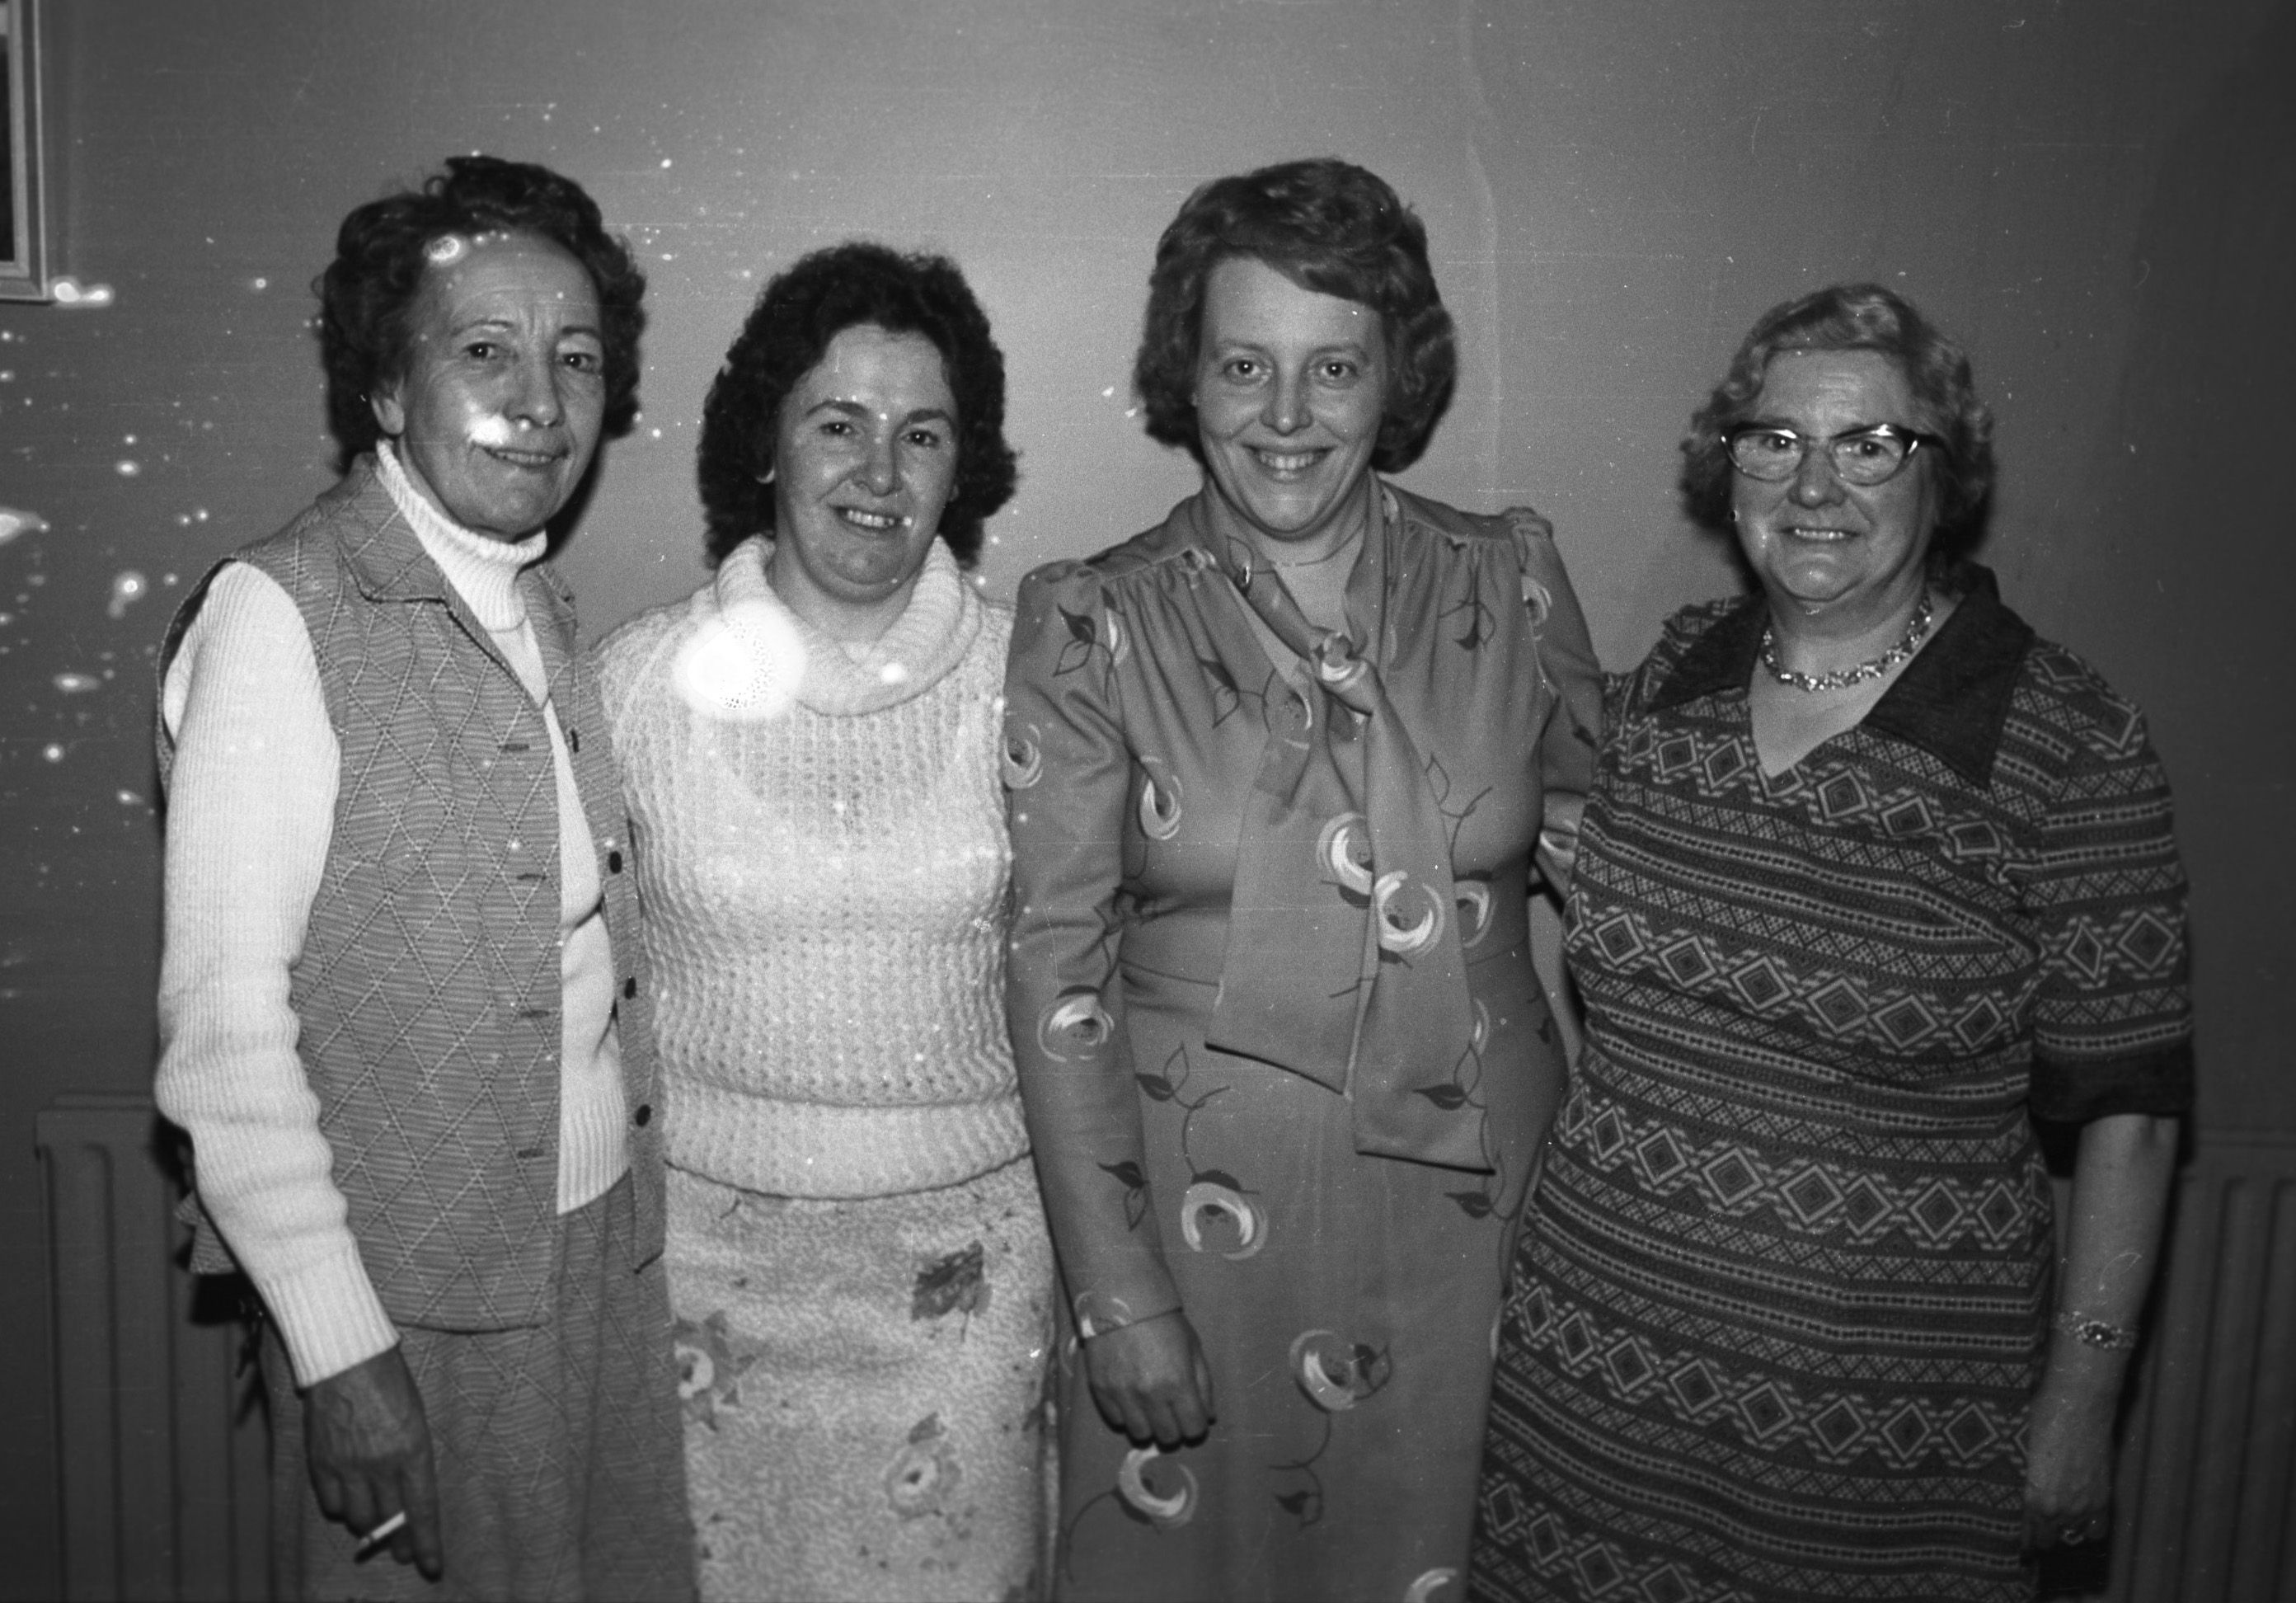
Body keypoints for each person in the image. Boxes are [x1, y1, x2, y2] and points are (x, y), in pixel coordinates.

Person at [1470, 284, 2191, 1602]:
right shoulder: (1670, 684)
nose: (1815, 485)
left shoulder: (2065, 743)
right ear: (1727, 467)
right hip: (1593, 1385)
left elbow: (2132, 1119)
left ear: (1944, 474)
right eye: (1774, 441)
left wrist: (2082, 1399)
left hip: (1881, 1434)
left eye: (1871, 445)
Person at [1002, 157, 1604, 1602]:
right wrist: (1115, 1290)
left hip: (1486, 1220)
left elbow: (1621, 887)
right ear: (1187, 380)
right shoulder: (1094, 623)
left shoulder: (1508, 582)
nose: (1286, 417)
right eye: (1243, 367)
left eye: (1332, 367)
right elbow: (1053, 973)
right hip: (1200, 1225)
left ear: (1394, 377)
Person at [153, 155, 690, 1601]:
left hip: (588, 1262)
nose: (541, 399)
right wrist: (340, 1350)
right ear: (386, 389)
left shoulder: (535, 607)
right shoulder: (281, 617)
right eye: (484, 352)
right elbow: (224, 1037)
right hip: (413, 1310)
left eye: (575, 359)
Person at [596, 241, 1050, 1603]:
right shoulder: (634, 686)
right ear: (764, 447)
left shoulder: (1041, 684)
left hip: (964, 1278)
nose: (878, 472)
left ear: (962, 468)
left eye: (922, 435)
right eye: (836, 425)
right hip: (704, 1271)